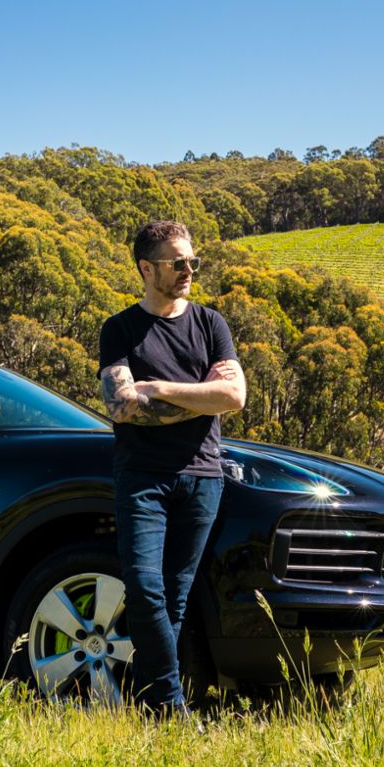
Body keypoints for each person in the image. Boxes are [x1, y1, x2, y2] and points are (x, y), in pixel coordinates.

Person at [98, 219, 246, 715]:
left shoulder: (211, 324)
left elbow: (234, 396)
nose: (189, 270)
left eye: (192, 261)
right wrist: (202, 398)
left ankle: (153, 707)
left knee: (176, 598)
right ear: (146, 268)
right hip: (142, 478)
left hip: (203, 477)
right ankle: (171, 706)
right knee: (145, 591)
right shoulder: (119, 329)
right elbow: (122, 406)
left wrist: (158, 389)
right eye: (177, 262)